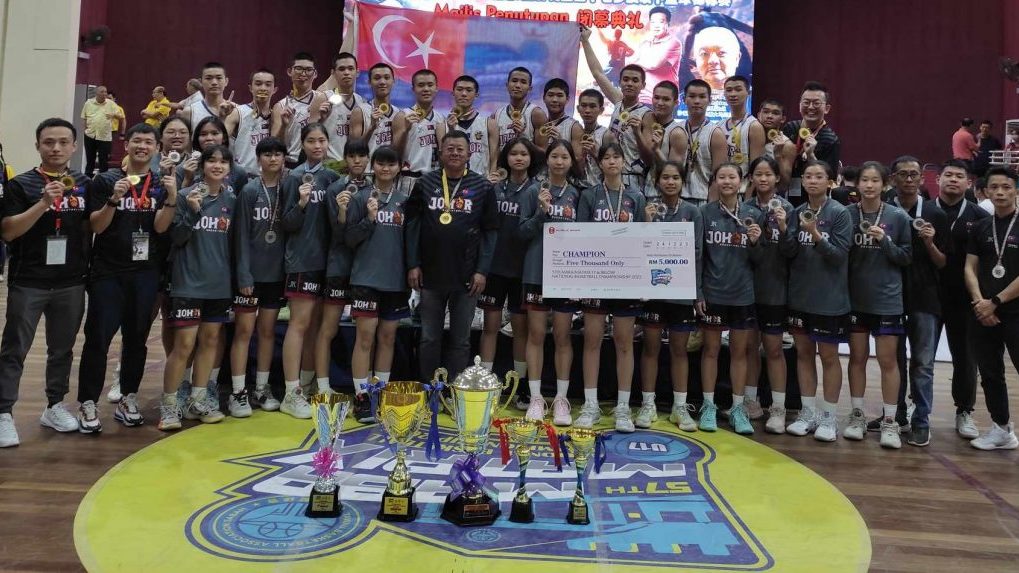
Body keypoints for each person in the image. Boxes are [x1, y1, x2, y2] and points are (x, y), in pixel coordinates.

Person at [76, 123, 177, 432]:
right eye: (137, 141)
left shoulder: (160, 183)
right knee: (98, 338)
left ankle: (128, 397)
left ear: (157, 148)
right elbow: (96, 226)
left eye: (148, 142)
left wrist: (172, 197)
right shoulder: (106, 180)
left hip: (145, 273)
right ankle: (87, 402)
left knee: (137, 339)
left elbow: (161, 227)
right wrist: (113, 199)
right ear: (126, 144)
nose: (142, 146)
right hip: (108, 272)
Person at [0, 118, 90, 446]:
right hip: (29, 281)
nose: (56, 148)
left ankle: (54, 405)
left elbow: (92, 227)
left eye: (63, 142)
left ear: (74, 146)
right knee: (15, 349)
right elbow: (9, 231)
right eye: (49, 142)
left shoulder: (83, 183)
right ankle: (3, 413)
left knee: (62, 349)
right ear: (38, 145)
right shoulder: (21, 185)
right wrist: (43, 204)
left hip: (71, 281)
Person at [405, 130, 499, 382]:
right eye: (450, 149)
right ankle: (429, 389)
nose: (455, 153)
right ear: (440, 153)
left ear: (469, 154)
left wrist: (482, 270)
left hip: (467, 276)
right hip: (430, 273)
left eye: (460, 149)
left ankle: (454, 392)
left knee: (461, 339)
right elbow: (412, 226)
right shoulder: (424, 183)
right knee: (429, 337)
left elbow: (490, 232)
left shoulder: (483, 187)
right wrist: (413, 264)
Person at [157, 145, 236, 431]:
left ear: (229, 167)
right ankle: (169, 406)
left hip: (219, 285)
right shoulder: (186, 195)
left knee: (210, 342)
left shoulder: (232, 200)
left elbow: (234, 244)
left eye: (223, 162)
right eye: (211, 160)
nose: (217, 165)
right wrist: (192, 211)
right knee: (184, 345)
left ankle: (198, 401)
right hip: (188, 283)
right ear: (202, 166)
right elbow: (176, 238)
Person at [876, 156, 948, 447]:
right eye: (903, 174)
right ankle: (895, 415)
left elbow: (943, 263)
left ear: (921, 179)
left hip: (924, 298)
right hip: (888, 296)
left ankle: (921, 420)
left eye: (914, 174)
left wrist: (929, 242)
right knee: (892, 360)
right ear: (892, 178)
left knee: (922, 363)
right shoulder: (882, 210)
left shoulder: (934, 213)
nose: (908, 179)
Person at [575, 142, 646, 433]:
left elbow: (643, 238)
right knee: (592, 340)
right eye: (607, 158)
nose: (612, 162)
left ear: (624, 161)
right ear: (600, 163)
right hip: (596, 275)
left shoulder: (635, 196)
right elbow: (579, 235)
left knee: (623, 342)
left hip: (626, 277)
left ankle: (623, 407)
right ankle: (590, 405)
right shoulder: (590, 195)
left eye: (617, 157)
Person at [844, 162, 912, 449]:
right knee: (857, 358)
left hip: (887, 300)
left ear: (885, 185)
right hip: (855, 300)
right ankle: (857, 416)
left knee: (888, 361)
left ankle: (890, 421)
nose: (869, 185)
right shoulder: (847, 214)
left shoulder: (898, 217)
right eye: (865, 180)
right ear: (857, 184)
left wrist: (885, 241)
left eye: (875, 181)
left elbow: (906, 257)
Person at [343, 145, 413, 423]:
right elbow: (349, 238)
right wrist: (369, 220)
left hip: (395, 280)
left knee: (387, 338)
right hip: (366, 279)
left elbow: (410, 242)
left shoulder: (405, 201)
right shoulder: (361, 197)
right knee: (365, 338)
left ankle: (380, 392)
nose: (385, 168)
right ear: (373, 166)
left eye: (391, 164)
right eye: (381, 163)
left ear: (399, 168)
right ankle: (362, 396)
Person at [784, 160, 852, 441]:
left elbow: (839, 256)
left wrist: (815, 235)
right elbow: (788, 253)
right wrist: (783, 229)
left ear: (830, 182)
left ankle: (829, 417)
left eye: (819, 176)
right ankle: (808, 412)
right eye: (808, 176)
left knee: (828, 357)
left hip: (829, 298)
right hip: (800, 297)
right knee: (803, 354)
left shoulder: (840, 213)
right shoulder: (797, 211)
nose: (812, 181)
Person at [518, 139, 581, 426]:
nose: (559, 161)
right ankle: (535, 398)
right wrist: (541, 213)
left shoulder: (577, 194)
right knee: (535, 335)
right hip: (536, 272)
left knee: (562, 336)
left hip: (566, 274)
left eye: (564, 157)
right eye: (554, 156)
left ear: (571, 162)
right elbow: (521, 232)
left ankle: (561, 399)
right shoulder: (533, 191)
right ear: (547, 160)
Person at [637, 161, 702, 431]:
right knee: (650, 348)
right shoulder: (648, 209)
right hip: (652, 291)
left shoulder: (692, 212)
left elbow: (697, 253)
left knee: (679, 350)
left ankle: (679, 407)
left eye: (675, 177)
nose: (670, 182)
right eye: (665, 177)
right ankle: (647, 404)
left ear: (683, 182)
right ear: (657, 181)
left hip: (681, 291)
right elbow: (637, 247)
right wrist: (646, 223)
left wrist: (697, 293)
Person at [697, 163, 761, 434]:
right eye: (721, 177)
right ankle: (708, 405)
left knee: (739, 352)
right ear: (714, 181)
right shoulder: (704, 213)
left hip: (742, 294)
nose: (726, 181)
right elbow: (699, 255)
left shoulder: (754, 214)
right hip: (713, 292)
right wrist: (698, 292)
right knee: (710, 350)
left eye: (731, 177)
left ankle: (737, 408)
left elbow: (760, 260)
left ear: (742, 181)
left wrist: (756, 242)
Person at [279, 124, 338, 414]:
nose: (317, 145)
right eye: (311, 141)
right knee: (299, 324)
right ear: (302, 144)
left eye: (321, 140)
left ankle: (307, 382)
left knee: (316, 327)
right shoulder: (293, 178)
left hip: (328, 263)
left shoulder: (333, 178)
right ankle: (290, 394)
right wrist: (302, 204)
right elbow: (287, 223)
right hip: (302, 259)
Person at [229, 137, 289, 418]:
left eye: (277, 154)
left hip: (275, 275)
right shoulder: (250, 190)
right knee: (244, 332)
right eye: (267, 154)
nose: (273, 159)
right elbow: (240, 235)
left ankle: (261, 388)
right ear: (258, 159)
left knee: (267, 331)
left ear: (284, 158)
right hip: (250, 275)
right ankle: (238, 391)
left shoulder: (288, 189)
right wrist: (243, 273)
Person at [479, 138, 538, 411]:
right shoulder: (494, 187)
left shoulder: (536, 190)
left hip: (521, 269)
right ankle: (485, 383)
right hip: (494, 267)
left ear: (531, 159)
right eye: (514, 153)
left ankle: (520, 385)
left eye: (524, 153)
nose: (519, 158)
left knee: (519, 330)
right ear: (506, 157)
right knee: (490, 327)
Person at [965, 166, 1019, 450]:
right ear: (985, 191)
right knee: (990, 372)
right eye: (994, 187)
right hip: (984, 312)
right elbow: (969, 267)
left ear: (1016, 190)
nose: (1000, 192)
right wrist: (980, 303)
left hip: (1013, 312)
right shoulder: (981, 226)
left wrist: (995, 301)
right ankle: (1002, 429)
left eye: (1006, 187)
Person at [933, 159, 988, 439]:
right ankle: (914, 407)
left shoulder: (979, 216)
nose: (953, 180)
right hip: (928, 296)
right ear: (938, 179)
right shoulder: (923, 210)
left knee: (965, 358)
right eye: (948, 175)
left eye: (959, 176)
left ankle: (964, 410)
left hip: (964, 299)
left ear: (969, 183)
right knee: (921, 357)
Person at [742, 156, 794, 434]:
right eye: (758, 174)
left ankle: (778, 408)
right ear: (751, 178)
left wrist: (783, 227)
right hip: (748, 288)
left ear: (777, 178)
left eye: (768, 174)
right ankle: (751, 403)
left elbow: (791, 251)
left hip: (775, 288)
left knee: (773, 349)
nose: (763, 179)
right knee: (749, 347)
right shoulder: (744, 208)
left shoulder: (787, 209)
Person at [328, 138, 372, 422]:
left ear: (367, 159)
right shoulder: (335, 188)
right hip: (339, 265)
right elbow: (335, 233)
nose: (357, 160)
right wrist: (342, 211)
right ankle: (321, 385)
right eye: (352, 156)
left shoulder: (374, 189)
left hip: (366, 269)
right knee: (328, 329)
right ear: (345, 159)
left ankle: (370, 391)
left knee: (371, 333)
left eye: (361, 156)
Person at [580, 27, 650, 190]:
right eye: (626, 79)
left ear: (643, 85)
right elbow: (598, 73)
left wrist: (638, 133)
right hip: (607, 175)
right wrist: (585, 41)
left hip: (632, 179)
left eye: (635, 80)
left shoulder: (647, 115)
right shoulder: (618, 101)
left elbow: (649, 157)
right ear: (620, 82)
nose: (629, 83)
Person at [779, 82, 840, 205]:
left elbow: (830, 179)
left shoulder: (831, 140)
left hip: (815, 198)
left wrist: (811, 156)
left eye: (816, 103)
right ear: (799, 105)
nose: (811, 107)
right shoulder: (790, 128)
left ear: (827, 108)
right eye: (806, 102)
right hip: (788, 190)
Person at [272, 52, 328, 169]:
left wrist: (323, 120)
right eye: (298, 69)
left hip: (318, 163)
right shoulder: (280, 107)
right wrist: (283, 126)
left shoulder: (323, 99)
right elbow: (274, 144)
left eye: (308, 70)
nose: (303, 73)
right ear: (289, 71)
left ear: (315, 74)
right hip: (291, 164)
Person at [488, 67, 545, 174]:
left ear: (530, 88)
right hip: (503, 173)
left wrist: (523, 137)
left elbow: (544, 152)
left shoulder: (537, 114)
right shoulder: (496, 115)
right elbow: (493, 151)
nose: (518, 85)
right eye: (514, 81)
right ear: (507, 85)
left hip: (529, 174)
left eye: (523, 82)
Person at [635, 81, 687, 198]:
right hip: (646, 191)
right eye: (657, 98)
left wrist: (657, 150)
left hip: (664, 197)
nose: (660, 103)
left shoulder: (677, 132)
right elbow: (647, 162)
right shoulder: (647, 125)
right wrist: (637, 133)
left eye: (666, 99)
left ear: (676, 102)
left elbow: (674, 173)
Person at [392, 69, 446, 177]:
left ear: (436, 88)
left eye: (430, 85)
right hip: (410, 176)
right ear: (413, 89)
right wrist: (405, 131)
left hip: (435, 178)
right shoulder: (403, 116)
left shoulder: (441, 118)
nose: (426, 89)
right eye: (421, 85)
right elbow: (394, 153)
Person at [177, 116, 250, 194]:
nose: (209, 138)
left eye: (215, 133)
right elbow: (175, 199)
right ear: (197, 138)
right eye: (203, 134)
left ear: (224, 138)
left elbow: (241, 200)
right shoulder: (183, 169)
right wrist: (187, 179)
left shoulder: (238, 172)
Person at [681, 80, 726, 205]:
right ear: (684, 99)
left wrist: (711, 206)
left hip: (703, 198)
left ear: (710, 100)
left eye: (702, 97)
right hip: (677, 196)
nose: (697, 101)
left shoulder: (716, 133)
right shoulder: (676, 129)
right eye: (692, 96)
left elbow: (718, 176)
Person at [315, 52, 365, 162]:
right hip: (329, 164)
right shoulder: (323, 97)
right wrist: (320, 119)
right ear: (333, 73)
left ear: (357, 72)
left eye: (350, 69)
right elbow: (308, 133)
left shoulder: (362, 102)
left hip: (354, 163)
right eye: (342, 69)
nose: (346, 73)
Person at [225, 69, 276, 174]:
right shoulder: (237, 112)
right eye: (258, 84)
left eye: (268, 85)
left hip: (269, 176)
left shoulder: (277, 117)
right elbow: (219, 141)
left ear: (274, 89)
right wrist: (222, 117)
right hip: (243, 176)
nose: (263, 88)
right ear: (250, 88)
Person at [626, 7, 682, 103]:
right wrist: (640, 64)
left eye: (661, 22)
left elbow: (654, 64)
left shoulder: (673, 43)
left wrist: (638, 63)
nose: (656, 26)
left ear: (668, 23)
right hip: (641, 98)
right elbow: (629, 63)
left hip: (664, 99)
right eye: (653, 22)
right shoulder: (645, 42)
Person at [721, 76, 764, 193]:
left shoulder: (754, 126)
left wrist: (748, 198)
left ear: (748, 93)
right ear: (724, 94)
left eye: (738, 89)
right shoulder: (719, 126)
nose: (733, 94)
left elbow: (756, 169)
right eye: (729, 90)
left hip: (742, 192)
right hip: (722, 189)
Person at [350, 63, 396, 164]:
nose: (382, 82)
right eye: (377, 78)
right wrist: (371, 127)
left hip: (391, 170)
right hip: (367, 171)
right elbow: (354, 150)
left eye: (387, 78)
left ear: (393, 81)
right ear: (369, 82)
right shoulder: (360, 111)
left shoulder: (399, 114)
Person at [447, 75, 489, 177]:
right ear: (453, 93)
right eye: (459, 89)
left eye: (469, 90)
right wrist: (451, 130)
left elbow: (494, 157)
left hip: (481, 181)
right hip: (452, 180)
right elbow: (443, 157)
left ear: (476, 94)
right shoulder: (442, 124)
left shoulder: (489, 123)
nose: (464, 94)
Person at [81, 86, 124, 175]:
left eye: (105, 92)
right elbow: (84, 117)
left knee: (103, 160)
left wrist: (113, 115)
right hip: (90, 135)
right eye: (102, 92)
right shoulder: (88, 103)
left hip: (104, 136)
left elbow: (121, 117)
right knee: (90, 159)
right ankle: (87, 178)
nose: (105, 94)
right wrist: (85, 130)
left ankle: (103, 179)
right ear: (96, 93)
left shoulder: (111, 104)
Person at [538, 79, 582, 160]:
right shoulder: (539, 124)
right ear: (544, 98)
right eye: (550, 95)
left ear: (567, 99)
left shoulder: (574, 127)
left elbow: (578, 160)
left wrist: (560, 142)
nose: (554, 100)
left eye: (559, 95)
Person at [180, 62, 234, 128]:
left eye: (219, 78)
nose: (214, 82)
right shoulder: (190, 112)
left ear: (226, 81)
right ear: (200, 82)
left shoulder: (236, 111)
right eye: (208, 78)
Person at [576, 88, 608, 188]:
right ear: (578, 108)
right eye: (584, 105)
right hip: (576, 187)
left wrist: (595, 154)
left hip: (599, 189)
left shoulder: (607, 135)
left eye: (592, 106)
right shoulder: (574, 132)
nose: (587, 111)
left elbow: (614, 168)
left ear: (601, 110)